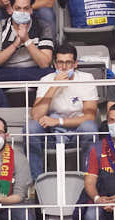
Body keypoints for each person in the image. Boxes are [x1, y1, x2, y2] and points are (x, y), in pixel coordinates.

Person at [26, 43, 99, 178]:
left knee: (90, 127)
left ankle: (90, 178)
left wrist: (58, 121)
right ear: (54, 63)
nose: (64, 67)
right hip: (52, 134)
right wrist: (53, 86)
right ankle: (36, 182)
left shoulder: (86, 78)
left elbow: (90, 117)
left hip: (77, 130)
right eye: (60, 63)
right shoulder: (46, 80)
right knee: (31, 128)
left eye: (68, 63)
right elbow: (36, 115)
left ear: (76, 64)